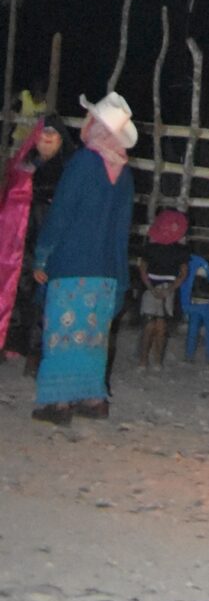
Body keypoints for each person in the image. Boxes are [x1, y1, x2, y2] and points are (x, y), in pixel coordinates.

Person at [31, 93, 137, 424]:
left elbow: (61, 215)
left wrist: (42, 256)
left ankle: (58, 403)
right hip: (106, 270)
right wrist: (121, 276)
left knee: (62, 334)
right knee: (93, 337)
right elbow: (122, 231)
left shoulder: (82, 163)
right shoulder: (124, 174)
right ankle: (93, 399)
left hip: (71, 264)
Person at [1, 107, 68, 360]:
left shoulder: (67, 167)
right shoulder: (25, 164)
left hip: (51, 232)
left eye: (54, 134)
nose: (48, 139)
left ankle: (37, 349)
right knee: (18, 286)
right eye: (43, 134)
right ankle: (14, 342)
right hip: (21, 234)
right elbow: (10, 196)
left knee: (45, 290)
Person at [136, 206, 189, 368]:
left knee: (160, 325)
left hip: (165, 289)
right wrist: (151, 288)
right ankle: (144, 360)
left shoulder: (180, 251)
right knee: (150, 324)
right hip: (152, 288)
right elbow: (143, 269)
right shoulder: (151, 249)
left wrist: (169, 289)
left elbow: (183, 274)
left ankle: (156, 360)